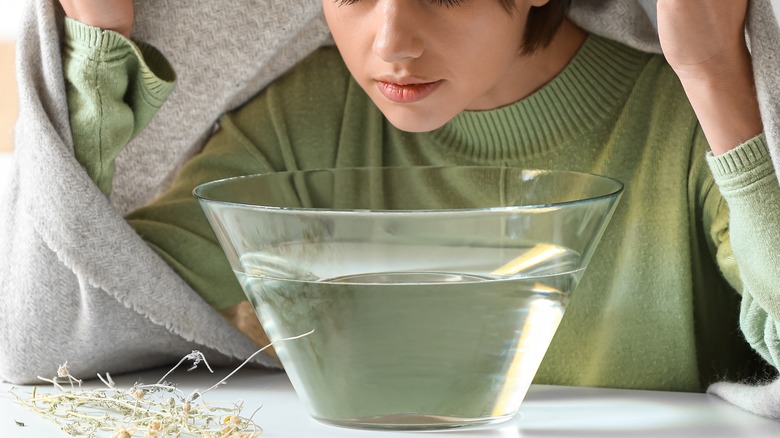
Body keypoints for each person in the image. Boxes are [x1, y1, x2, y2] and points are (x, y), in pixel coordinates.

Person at [4, 0, 780, 414]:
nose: (392, 44)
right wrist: (95, 61)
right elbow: (55, 328)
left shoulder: (682, 118)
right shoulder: (300, 119)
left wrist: (715, 76)